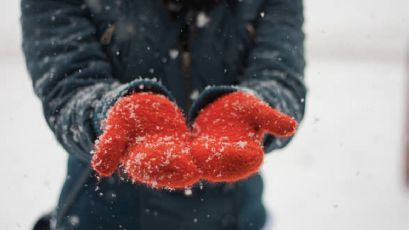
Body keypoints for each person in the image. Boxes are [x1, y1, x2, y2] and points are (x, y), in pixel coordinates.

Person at [21, 0, 306, 229]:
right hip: (103, 215)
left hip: (236, 217)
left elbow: (279, 75)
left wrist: (259, 104)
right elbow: (69, 87)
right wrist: (109, 114)